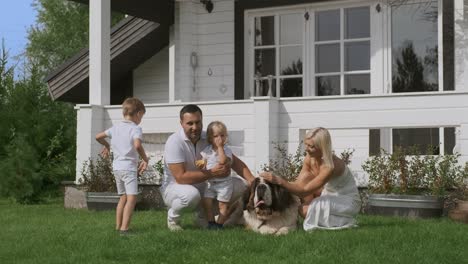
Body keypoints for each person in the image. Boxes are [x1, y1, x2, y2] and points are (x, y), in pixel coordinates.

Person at [161, 104, 255, 231]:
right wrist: (212, 173)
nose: (195, 127)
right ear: (181, 123)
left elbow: (235, 162)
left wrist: (253, 181)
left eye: (198, 122)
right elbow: (180, 178)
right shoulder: (174, 142)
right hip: (175, 188)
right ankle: (173, 219)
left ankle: (203, 218)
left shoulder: (210, 137)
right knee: (191, 195)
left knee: (240, 185)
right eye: (190, 123)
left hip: (205, 185)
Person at [260, 127, 361, 231]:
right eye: (306, 145)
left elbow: (303, 192)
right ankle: (325, 217)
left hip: (347, 201)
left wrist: (279, 181)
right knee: (305, 179)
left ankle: (346, 221)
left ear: (322, 147)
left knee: (304, 210)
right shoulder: (310, 157)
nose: (307, 149)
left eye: (311, 146)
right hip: (329, 193)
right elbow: (300, 184)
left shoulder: (330, 166)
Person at [95, 97, 149, 235]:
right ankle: (125, 229)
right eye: (141, 116)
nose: (140, 120)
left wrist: (107, 145)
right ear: (137, 114)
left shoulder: (115, 128)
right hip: (128, 168)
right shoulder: (135, 128)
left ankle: (118, 227)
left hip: (117, 168)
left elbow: (98, 136)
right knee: (132, 198)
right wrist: (145, 159)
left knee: (123, 197)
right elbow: (137, 145)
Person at [197, 121, 233, 229]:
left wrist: (220, 147)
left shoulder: (226, 150)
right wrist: (201, 164)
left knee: (223, 205)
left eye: (222, 135)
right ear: (210, 138)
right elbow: (204, 164)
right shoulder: (206, 151)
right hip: (210, 183)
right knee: (206, 203)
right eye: (215, 136)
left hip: (224, 184)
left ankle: (219, 225)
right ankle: (211, 223)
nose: (219, 138)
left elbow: (222, 161)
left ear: (226, 137)